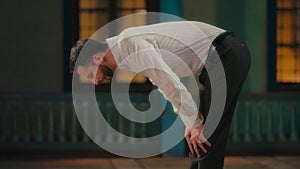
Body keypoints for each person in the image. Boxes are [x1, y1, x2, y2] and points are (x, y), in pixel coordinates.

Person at [69, 21, 251, 169]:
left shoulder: (128, 45)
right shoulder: (124, 52)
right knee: (197, 138)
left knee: (206, 136)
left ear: (96, 58)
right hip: (215, 63)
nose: (95, 81)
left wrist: (194, 122)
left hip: (226, 55)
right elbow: (161, 80)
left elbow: (169, 81)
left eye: (92, 74)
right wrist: (191, 122)